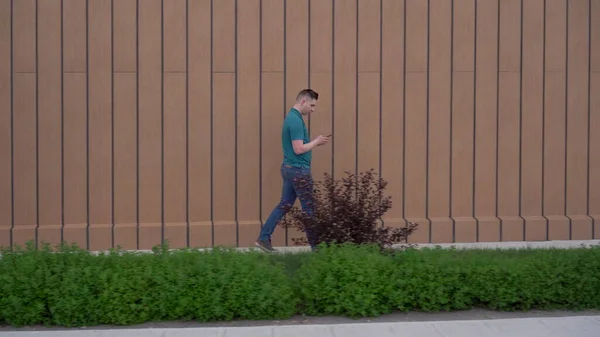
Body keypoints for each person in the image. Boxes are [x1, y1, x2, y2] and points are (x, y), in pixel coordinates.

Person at [255, 89, 330, 253]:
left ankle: (263, 238)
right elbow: (298, 149)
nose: (313, 109)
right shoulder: (295, 121)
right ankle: (317, 248)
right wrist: (316, 141)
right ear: (302, 101)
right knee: (309, 208)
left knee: (285, 204)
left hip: (289, 169)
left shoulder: (292, 118)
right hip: (298, 171)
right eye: (311, 105)